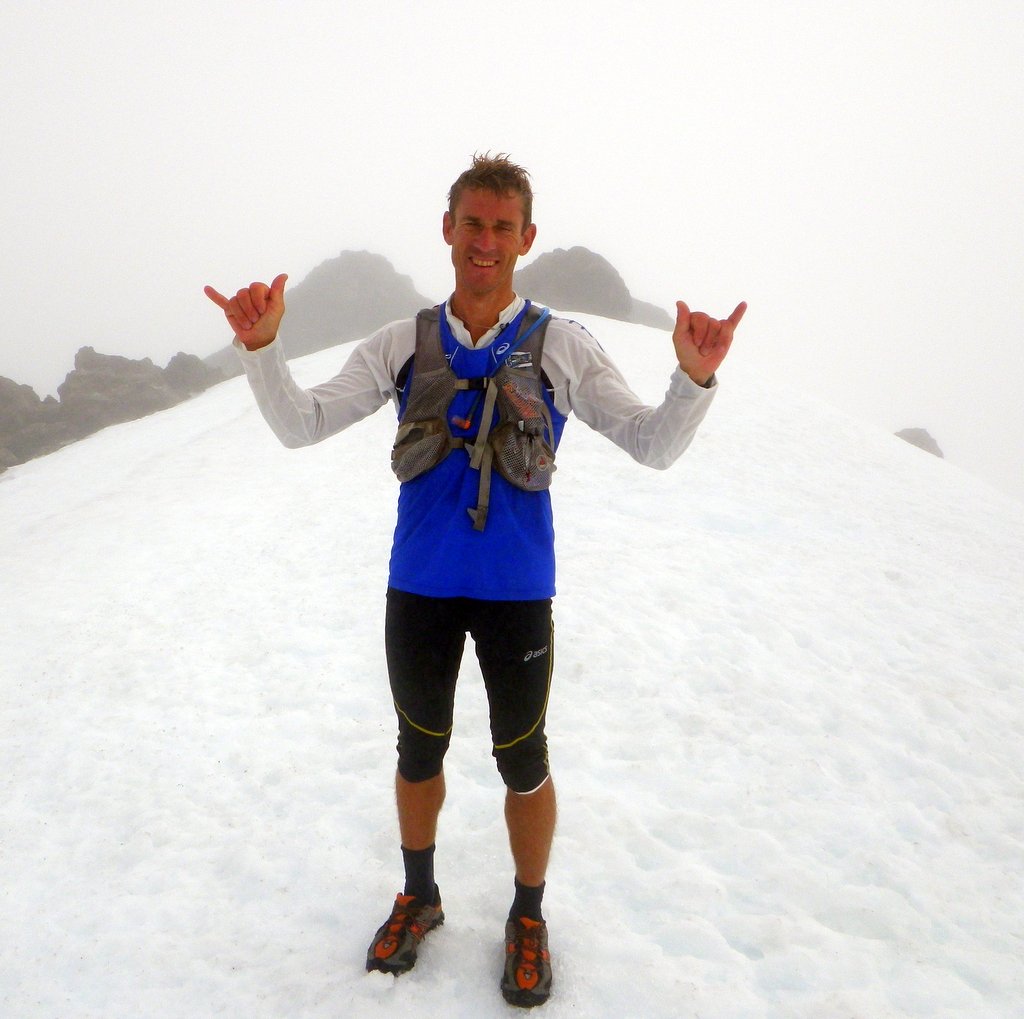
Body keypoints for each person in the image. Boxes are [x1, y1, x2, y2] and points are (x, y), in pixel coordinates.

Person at [205, 153, 744, 1008]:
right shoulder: (400, 342)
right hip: (418, 586)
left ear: (526, 238)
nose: (485, 241)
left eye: (502, 226)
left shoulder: (562, 344)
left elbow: (651, 442)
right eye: (473, 223)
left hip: (517, 593)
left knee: (522, 760)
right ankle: (419, 893)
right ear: (447, 228)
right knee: (418, 748)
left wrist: (694, 378)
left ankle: (527, 913)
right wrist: (263, 349)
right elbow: (302, 424)